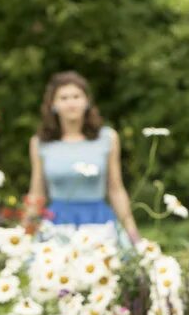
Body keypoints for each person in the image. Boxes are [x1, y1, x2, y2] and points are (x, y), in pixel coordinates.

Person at [25, 71, 140, 245]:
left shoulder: (107, 138)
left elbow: (116, 189)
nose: (71, 103)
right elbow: (37, 193)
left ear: (86, 101)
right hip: (57, 226)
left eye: (76, 96)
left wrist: (132, 232)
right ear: (53, 105)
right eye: (63, 98)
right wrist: (23, 235)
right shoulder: (40, 143)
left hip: (99, 223)